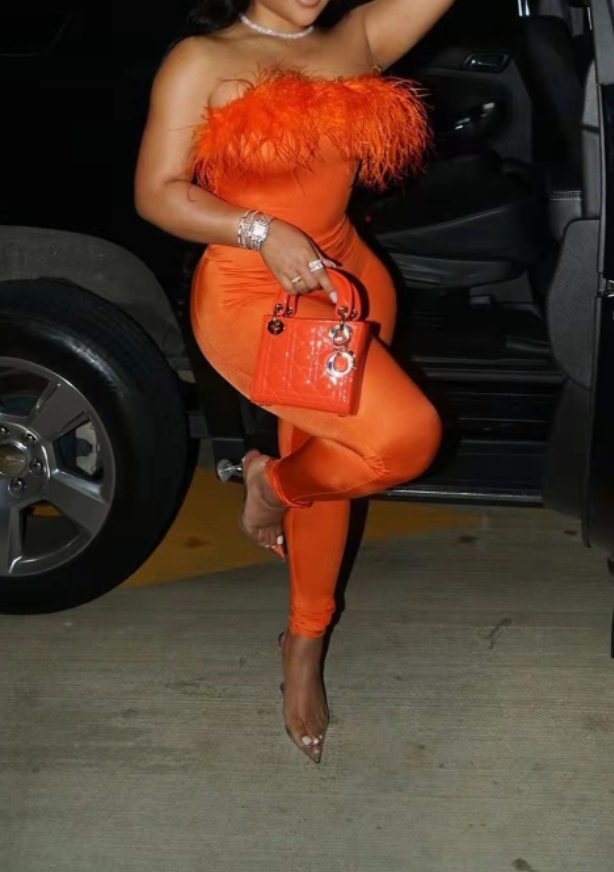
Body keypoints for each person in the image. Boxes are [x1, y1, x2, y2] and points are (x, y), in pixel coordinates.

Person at [134, 0, 452, 764]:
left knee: (329, 464)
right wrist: (261, 229)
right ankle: (274, 488)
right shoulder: (201, 61)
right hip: (255, 293)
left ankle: (303, 639)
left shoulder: (356, 36)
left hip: (348, 281)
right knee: (404, 440)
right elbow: (157, 192)